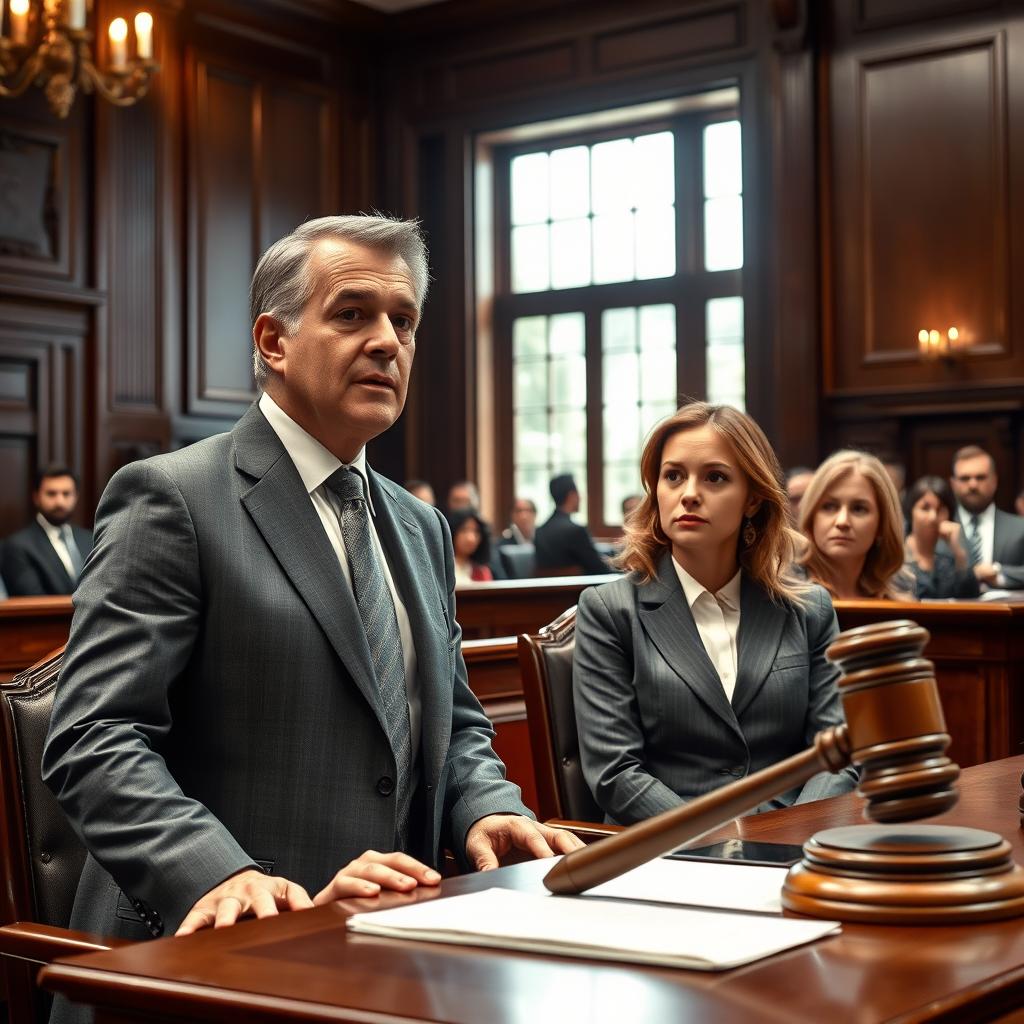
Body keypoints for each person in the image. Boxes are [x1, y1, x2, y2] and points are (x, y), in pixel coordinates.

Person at [42, 215, 580, 974]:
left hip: (397, 941)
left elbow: (454, 725)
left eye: (405, 321)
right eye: (353, 313)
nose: (389, 342)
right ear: (273, 342)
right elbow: (95, 738)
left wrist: (485, 805)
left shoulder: (419, 525)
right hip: (212, 957)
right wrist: (223, 874)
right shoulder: (173, 498)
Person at [573, 403, 857, 827]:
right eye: (673, 476)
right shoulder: (609, 611)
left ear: (753, 499)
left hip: (792, 846)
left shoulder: (809, 610)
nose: (688, 493)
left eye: (715, 477)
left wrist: (782, 837)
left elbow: (838, 754)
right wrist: (728, 841)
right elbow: (616, 775)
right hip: (665, 855)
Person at [797, 450, 907, 600]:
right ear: (811, 517)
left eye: (858, 509)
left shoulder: (898, 606)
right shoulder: (783, 599)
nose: (842, 522)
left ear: (882, 524)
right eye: (829, 506)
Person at [1, 464, 93, 596]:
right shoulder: (17, 546)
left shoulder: (90, 539)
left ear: (76, 497)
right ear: (36, 497)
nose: (59, 502)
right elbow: (31, 599)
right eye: (51, 494)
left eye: (66, 494)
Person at [950, 445, 1024, 589]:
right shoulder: (940, 531)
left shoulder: (1020, 528)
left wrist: (997, 572)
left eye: (980, 477)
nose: (973, 484)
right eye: (965, 478)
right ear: (953, 484)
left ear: (995, 481)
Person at [903, 475, 979, 599]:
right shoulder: (897, 556)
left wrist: (959, 554)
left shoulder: (948, 559)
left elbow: (970, 597)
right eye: (925, 508)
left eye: (940, 509)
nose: (933, 517)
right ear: (910, 512)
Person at [534, 474, 613, 575]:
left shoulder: (540, 530)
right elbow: (599, 568)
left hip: (546, 589)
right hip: (577, 588)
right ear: (572, 495)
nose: (580, 497)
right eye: (578, 493)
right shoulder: (576, 530)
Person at [448, 508, 495, 583]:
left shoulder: (481, 572)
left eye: (476, 532)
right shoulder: (441, 567)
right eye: (464, 530)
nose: (471, 538)